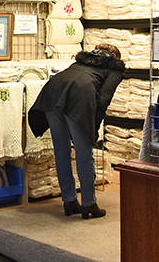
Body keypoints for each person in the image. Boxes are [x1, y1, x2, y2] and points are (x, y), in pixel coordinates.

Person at [28, 43, 125, 219]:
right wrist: (92, 130)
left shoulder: (81, 61)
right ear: (115, 57)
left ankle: (70, 201)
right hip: (78, 99)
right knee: (83, 151)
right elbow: (103, 100)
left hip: (52, 93)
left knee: (61, 150)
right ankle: (89, 203)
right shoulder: (114, 70)